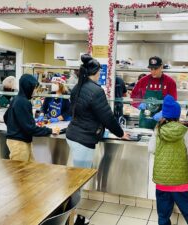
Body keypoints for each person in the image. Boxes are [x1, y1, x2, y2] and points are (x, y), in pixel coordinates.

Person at [66, 54, 129, 224]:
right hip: (83, 140)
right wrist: (121, 133)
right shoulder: (96, 90)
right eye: (100, 72)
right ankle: (71, 219)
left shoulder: (77, 87)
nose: (100, 74)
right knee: (78, 181)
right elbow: (107, 117)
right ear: (94, 72)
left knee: (75, 179)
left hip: (73, 135)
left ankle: (69, 215)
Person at [148, 95, 188, 225]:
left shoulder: (158, 130)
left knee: (163, 213)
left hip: (162, 180)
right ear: (178, 116)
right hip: (179, 180)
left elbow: (151, 149)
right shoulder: (184, 131)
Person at [3, 74, 60, 162]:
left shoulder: (17, 99)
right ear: (28, 87)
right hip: (19, 144)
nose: (35, 91)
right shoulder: (23, 102)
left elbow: (6, 117)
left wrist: (15, 128)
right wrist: (50, 130)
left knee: (29, 171)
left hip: (19, 141)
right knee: (19, 173)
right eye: (34, 88)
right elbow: (30, 128)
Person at [130, 56, 177, 129]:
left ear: (161, 67)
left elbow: (173, 103)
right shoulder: (143, 81)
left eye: (156, 69)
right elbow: (133, 97)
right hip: (145, 121)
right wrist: (139, 104)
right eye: (151, 69)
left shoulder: (170, 82)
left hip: (162, 121)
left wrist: (163, 113)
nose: (153, 71)